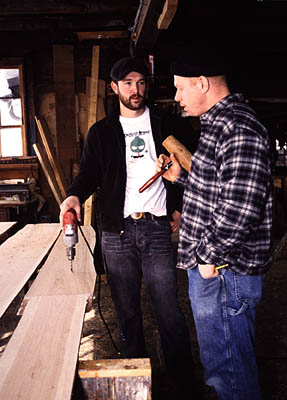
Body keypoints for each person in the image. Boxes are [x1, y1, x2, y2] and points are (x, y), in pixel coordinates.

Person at [59, 56, 198, 396]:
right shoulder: (102, 133)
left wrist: (177, 207)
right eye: (127, 84)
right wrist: (74, 196)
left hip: (156, 231)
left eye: (140, 83)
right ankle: (138, 387)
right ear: (114, 88)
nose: (135, 90)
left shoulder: (167, 124)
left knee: (169, 311)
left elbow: (190, 171)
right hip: (116, 233)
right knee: (127, 314)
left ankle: (183, 385)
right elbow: (88, 175)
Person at [157, 49, 273, 400]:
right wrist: (180, 179)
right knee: (221, 366)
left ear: (202, 83)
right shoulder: (218, 126)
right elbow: (219, 193)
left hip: (224, 271)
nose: (176, 97)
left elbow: (240, 209)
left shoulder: (239, 127)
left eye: (180, 88)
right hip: (217, 268)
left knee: (229, 373)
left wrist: (208, 258)